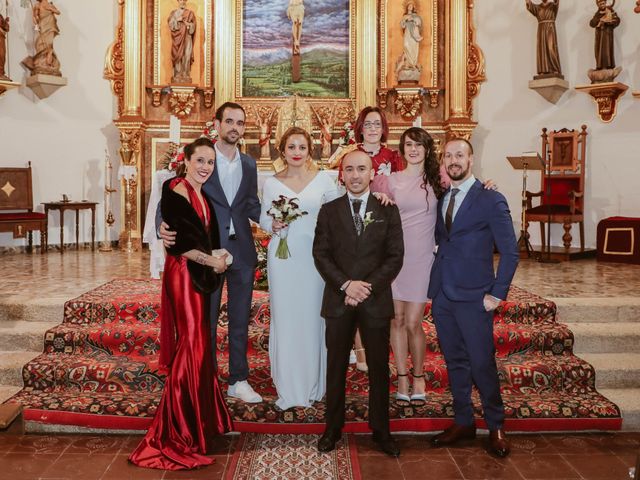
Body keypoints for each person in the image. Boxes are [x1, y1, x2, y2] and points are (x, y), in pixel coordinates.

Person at [130, 137, 233, 470]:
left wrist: (220, 255)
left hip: (197, 274)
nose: (205, 167)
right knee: (191, 344)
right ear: (186, 161)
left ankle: (200, 421)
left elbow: (200, 236)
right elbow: (179, 246)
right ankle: (177, 429)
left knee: (200, 342)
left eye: (210, 162)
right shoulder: (175, 189)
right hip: (184, 275)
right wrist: (211, 261)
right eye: (199, 160)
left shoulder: (200, 194)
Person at [159, 102, 263, 404]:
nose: (234, 127)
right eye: (228, 121)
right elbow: (174, 195)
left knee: (241, 319)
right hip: (207, 251)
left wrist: (274, 221)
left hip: (241, 249)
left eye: (240, 123)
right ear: (216, 124)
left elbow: (250, 205)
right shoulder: (202, 159)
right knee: (206, 319)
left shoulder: (249, 164)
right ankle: (206, 378)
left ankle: (238, 379)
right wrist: (161, 229)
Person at [428, 138, 519, 458]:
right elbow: (444, 239)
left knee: (481, 364)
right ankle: (464, 421)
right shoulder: (444, 197)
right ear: (444, 161)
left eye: (459, 155)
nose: (454, 160)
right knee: (455, 363)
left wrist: (497, 293)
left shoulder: (490, 199)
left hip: (475, 296)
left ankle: (495, 424)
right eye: (448, 155)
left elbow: (510, 252)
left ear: (471, 159)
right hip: (444, 295)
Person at [313, 149, 404, 457]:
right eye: (349, 169)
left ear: (372, 173)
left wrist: (367, 287)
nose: (354, 175)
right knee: (335, 366)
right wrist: (346, 285)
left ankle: (381, 430)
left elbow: (395, 256)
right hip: (339, 298)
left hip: (375, 299)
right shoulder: (329, 210)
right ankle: (332, 428)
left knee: (379, 367)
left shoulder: (387, 209)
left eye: (361, 169)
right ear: (342, 173)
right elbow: (321, 254)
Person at [259, 127, 336, 410]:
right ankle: (289, 386)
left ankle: (314, 383)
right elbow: (264, 218)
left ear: (309, 150)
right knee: (287, 316)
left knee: (314, 316)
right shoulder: (271, 183)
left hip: (316, 259)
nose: (296, 153)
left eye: (301, 147)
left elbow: (336, 218)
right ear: (282, 151)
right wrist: (273, 225)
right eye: (291, 147)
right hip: (284, 257)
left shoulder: (324, 180)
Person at [371, 127, 443, 406]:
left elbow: (464, 191)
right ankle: (401, 377)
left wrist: (488, 185)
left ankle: (419, 375)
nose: (413, 149)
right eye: (408, 145)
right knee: (396, 320)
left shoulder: (439, 179)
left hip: (422, 257)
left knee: (414, 322)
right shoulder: (386, 181)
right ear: (401, 150)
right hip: (393, 258)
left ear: (427, 149)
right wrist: (379, 200)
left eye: (418, 144)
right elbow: (371, 214)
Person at [22, 0, 61, 76]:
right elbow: (35, 17)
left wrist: (52, 9)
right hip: (42, 26)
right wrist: (35, 19)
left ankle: (48, 60)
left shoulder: (50, 5)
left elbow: (58, 12)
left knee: (49, 43)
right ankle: (42, 62)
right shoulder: (37, 5)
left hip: (50, 26)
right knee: (40, 43)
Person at [525, 0, 563, 78]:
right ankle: (542, 70)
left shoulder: (553, 6)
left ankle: (555, 68)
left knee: (551, 48)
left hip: (550, 29)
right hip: (541, 30)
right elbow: (530, 5)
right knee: (542, 49)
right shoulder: (538, 7)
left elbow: (556, 2)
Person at [168, 0, 196, 82]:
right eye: (181, 0)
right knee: (178, 56)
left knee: (187, 55)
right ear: (178, 1)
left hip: (187, 37)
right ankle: (177, 74)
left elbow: (193, 26)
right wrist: (177, 20)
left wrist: (189, 25)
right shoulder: (174, 13)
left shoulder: (190, 13)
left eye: (184, 0)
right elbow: (170, 24)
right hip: (177, 38)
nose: (182, 2)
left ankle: (185, 74)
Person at [590, 0, 620, 71]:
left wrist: (609, 22)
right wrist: (599, 20)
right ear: (598, 5)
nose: (602, 5)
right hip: (599, 35)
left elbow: (617, 20)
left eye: (603, 3)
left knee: (607, 49)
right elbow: (591, 24)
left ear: (605, 3)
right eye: (600, 4)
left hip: (607, 34)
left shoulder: (610, 10)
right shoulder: (597, 14)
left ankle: (609, 66)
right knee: (599, 50)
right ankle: (599, 66)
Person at [398, 2, 423, 73]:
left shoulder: (416, 16)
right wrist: (405, 20)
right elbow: (402, 25)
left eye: (411, 6)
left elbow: (419, 23)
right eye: (409, 5)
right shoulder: (405, 16)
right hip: (407, 34)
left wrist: (413, 20)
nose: (410, 7)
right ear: (407, 7)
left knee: (413, 48)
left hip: (414, 35)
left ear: (413, 8)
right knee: (406, 45)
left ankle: (412, 64)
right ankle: (408, 63)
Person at [0, 13, 9, 80]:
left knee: (2, 56)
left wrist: (5, 22)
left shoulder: (1, 17)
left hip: (1, 40)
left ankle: (1, 73)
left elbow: (6, 28)